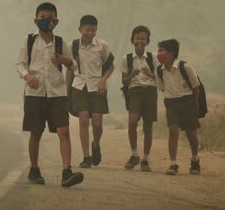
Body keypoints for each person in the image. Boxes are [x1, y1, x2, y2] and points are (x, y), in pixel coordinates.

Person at [16, 2, 84, 187]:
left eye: (50, 17)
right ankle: (34, 169)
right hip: (34, 93)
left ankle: (66, 172)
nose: (46, 20)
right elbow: (20, 64)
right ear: (36, 20)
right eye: (43, 17)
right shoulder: (29, 40)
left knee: (63, 131)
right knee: (36, 132)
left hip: (57, 93)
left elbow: (74, 65)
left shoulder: (61, 42)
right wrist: (27, 76)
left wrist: (65, 60)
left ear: (57, 20)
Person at [67, 15, 114, 169]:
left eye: (93, 30)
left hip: (97, 87)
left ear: (96, 30)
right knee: (83, 120)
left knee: (98, 124)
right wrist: (67, 90)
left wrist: (103, 80)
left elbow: (110, 66)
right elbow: (69, 70)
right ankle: (86, 156)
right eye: (87, 30)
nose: (90, 33)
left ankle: (96, 144)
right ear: (80, 29)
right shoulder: (72, 46)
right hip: (79, 86)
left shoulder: (102, 46)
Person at [155, 39, 201, 176]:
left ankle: (195, 159)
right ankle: (173, 163)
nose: (159, 54)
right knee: (173, 130)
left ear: (171, 53)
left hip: (188, 101)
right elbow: (162, 88)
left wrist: (195, 102)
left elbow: (195, 85)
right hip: (171, 103)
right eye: (158, 50)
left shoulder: (184, 67)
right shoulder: (159, 70)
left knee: (191, 133)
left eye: (162, 51)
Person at [121, 26, 159, 172]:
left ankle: (145, 159)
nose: (140, 41)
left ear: (147, 41)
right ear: (133, 40)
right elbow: (124, 81)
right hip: (134, 92)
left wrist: (150, 74)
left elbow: (161, 79)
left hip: (150, 91)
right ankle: (134, 154)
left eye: (143, 38)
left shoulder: (153, 57)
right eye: (138, 38)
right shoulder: (127, 58)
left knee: (148, 126)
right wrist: (131, 74)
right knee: (132, 121)